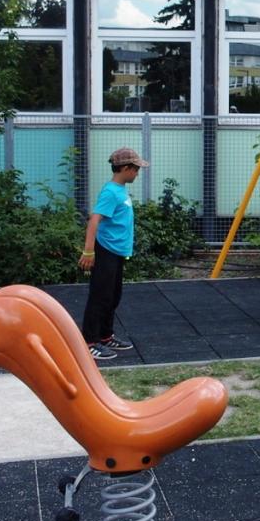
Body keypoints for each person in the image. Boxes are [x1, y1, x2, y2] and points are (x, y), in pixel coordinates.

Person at [79, 147, 148, 361]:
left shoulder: (120, 190)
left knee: (112, 296)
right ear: (125, 168)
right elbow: (94, 220)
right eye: (136, 169)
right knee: (100, 296)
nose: (137, 173)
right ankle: (90, 342)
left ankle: (105, 336)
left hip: (117, 252)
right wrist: (88, 251)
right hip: (105, 251)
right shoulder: (110, 192)